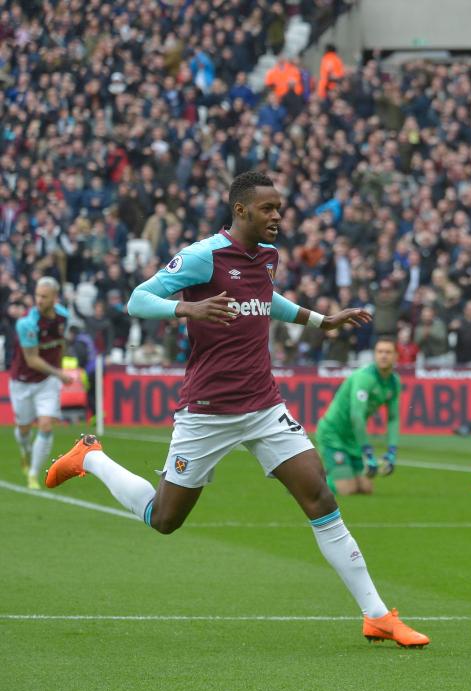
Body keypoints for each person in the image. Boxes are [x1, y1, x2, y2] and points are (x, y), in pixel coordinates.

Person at [44, 172, 429, 649]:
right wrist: (186, 311)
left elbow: (266, 300)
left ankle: (376, 615)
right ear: (241, 210)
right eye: (268, 209)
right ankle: (92, 457)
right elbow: (137, 299)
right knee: (164, 519)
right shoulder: (203, 256)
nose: (277, 218)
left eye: (280, 209)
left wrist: (319, 319)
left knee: (321, 499)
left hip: (263, 404)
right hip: (206, 411)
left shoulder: (267, 257)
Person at [315, 338, 402, 496]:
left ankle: (332, 475)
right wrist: (367, 451)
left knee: (366, 489)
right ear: (374, 355)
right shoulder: (365, 378)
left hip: (352, 438)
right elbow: (357, 415)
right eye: (379, 352)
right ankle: (309, 483)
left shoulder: (394, 382)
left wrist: (392, 451)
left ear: (396, 356)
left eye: (388, 352)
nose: (383, 356)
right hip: (333, 433)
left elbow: (393, 418)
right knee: (347, 489)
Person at [8, 277, 71, 489]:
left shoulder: (63, 317)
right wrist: (60, 374)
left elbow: (61, 344)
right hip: (23, 381)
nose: (39, 300)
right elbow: (31, 359)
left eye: (44, 296)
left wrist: (59, 369)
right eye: (37, 295)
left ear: (55, 298)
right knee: (24, 428)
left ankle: (34, 474)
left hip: (48, 382)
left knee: (45, 424)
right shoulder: (27, 323)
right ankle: (25, 451)